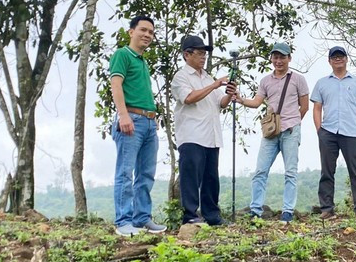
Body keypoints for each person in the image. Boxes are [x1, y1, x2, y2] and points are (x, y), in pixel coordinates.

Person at [235, 42, 309, 224]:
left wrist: (293, 122)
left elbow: (305, 106)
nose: (278, 61)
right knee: (260, 170)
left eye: (282, 57)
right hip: (271, 132)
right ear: (271, 59)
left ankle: (287, 211)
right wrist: (240, 99)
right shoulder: (265, 81)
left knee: (290, 172)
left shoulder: (298, 79)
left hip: (290, 130)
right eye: (275, 57)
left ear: (289, 58)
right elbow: (257, 102)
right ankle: (255, 210)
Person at [109, 15, 167, 237]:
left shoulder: (142, 61)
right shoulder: (123, 54)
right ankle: (123, 221)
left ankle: (142, 218)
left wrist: (152, 121)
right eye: (143, 30)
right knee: (125, 172)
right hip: (131, 119)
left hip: (149, 122)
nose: (147, 35)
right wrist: (123, 115)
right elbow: (116, 84)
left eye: (151, 32)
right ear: (131, 32)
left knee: (146, 173)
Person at [172, 35, 235, 225]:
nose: (203, 57)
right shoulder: (181, 76)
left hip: (211, 135)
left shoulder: (207, 77)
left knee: (210, 177)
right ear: (187, 54)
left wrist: (229, 94)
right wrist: (215, 84)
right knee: (191, 177)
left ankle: (212, 215)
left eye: (205, 54)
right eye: (199, 53)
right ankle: (190, 215)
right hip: (192, 135)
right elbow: (189, 98)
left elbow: (220, 103)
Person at [310, 46, 356, 220]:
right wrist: (319, 130)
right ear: (329, 61)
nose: (338, 59)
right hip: (328, 131)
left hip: (352, 132)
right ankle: (327, 209)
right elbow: (317, 108)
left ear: (346, 59)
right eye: (334, 57)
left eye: (341, 56)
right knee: (327, 171)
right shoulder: (322, 83)